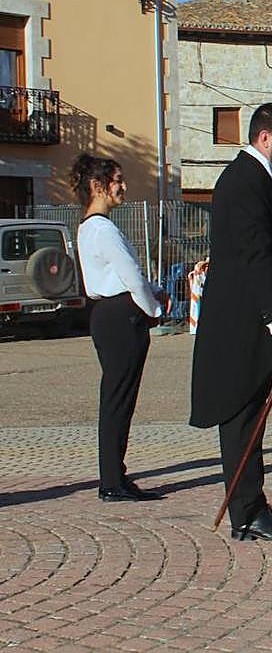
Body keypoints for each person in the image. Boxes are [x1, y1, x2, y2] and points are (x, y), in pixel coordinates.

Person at [190, 102, 272, 541]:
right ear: (265, 137)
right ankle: (246, 512)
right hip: (241, 321)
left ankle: (252, 505)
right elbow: (252, 253)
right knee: (243, 417)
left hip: (249, 318)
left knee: (250, 415)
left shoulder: (256, 179)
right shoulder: (244, 180)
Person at [72, 154, 168, 503]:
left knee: (118, 398)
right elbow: (130, 275)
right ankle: (112, 480)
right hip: (120, 315)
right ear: (97, 186)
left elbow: (123, 274)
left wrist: (151, 293)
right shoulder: (103, 229)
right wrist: (154, 308)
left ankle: (115, 475)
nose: (123, 187)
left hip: (109, 313)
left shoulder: (88, 227)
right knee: (118, 399)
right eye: (117, 180)